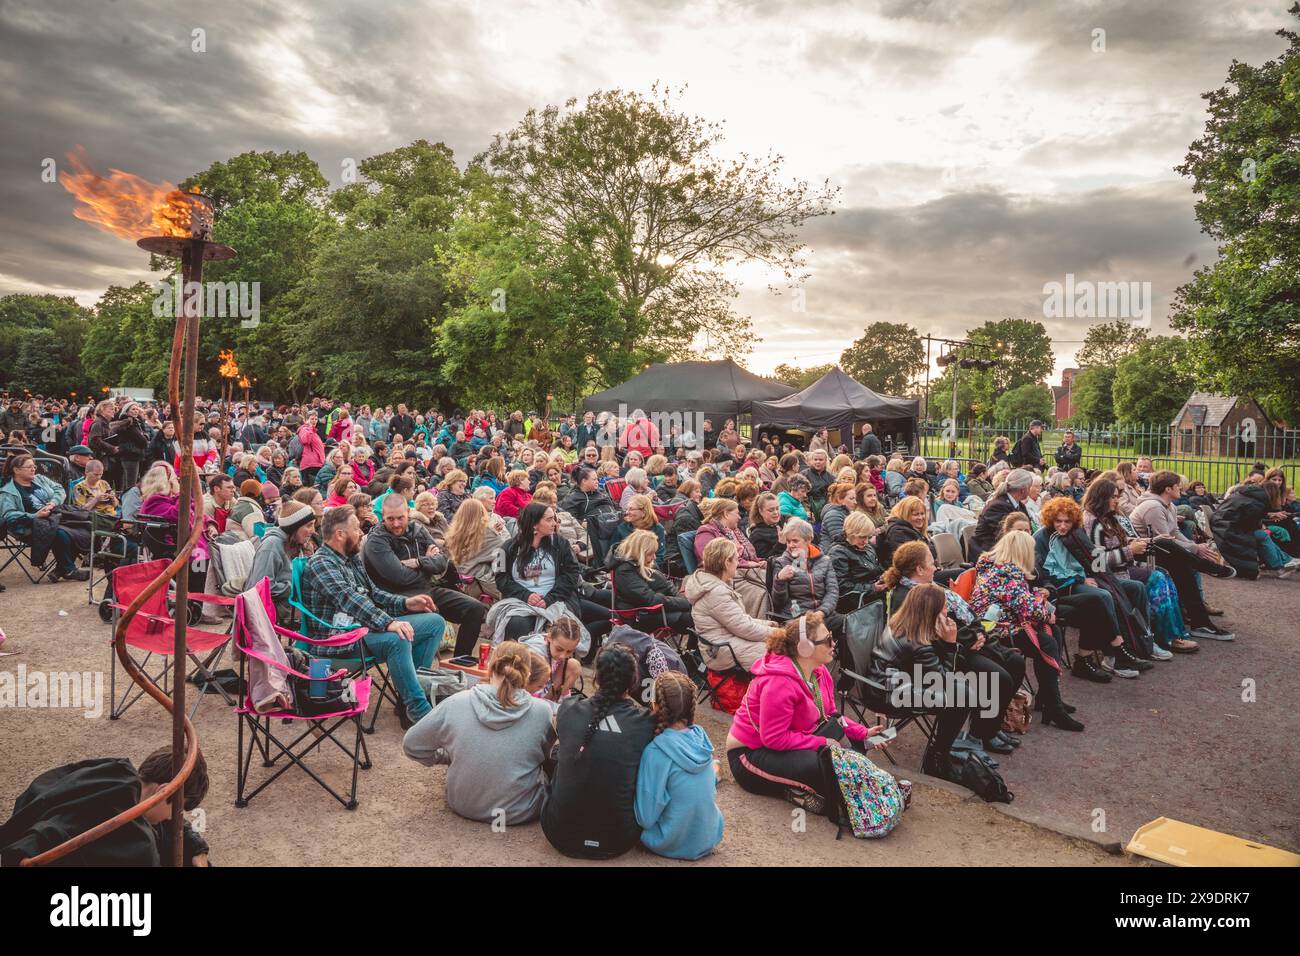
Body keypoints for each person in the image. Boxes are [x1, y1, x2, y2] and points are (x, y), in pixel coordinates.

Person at [299, 505, 446, 729]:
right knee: (397, 638)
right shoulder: (321, 563)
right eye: (356, 529)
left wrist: (406, 603)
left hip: (364, 630)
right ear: (340, 534)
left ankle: (411, 694)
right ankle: (419, 710)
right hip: (340, 639)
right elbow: (349, 600)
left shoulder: (351, 558)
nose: (361, 533)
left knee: (434, 622)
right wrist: (389, 622)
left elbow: (372, 593)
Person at [726, 612, 879, 813]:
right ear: (805, 648)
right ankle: (795, 790)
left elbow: (831, 716)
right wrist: (822, 742)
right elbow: (774, 739)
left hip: (784, 742)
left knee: (851, 748)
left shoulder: (820, 670)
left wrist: (863, 733)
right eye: (827, 640)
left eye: (831, 637)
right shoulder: (779, 683)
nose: (833, 643)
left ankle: (821, 789)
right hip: (749, 755)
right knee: (817, 763)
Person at [402, 641, 556, 824]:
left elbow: (412, 745)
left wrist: (449, 755)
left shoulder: (457, 702)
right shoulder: (542, 711)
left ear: (490, 666)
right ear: (527, 674)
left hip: (463, 804)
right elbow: (543, 755)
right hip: (517, 811)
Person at [542, 642, 656, 859]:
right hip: (618, 839)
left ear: (596, 677)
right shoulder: (646, 723)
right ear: (633, 681)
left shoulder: (569, 709)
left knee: (559, 757)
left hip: (559, 833)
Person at [968, 529, 1079, 733]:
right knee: (1047, 640)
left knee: (1052, 633)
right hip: (994, 631)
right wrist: (1046, 614)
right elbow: (1028, 608)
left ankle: (1049, 700)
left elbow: (1023, 600)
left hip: (1001, 624)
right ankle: (1052, 706)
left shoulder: (998, 567)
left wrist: (1040, 603)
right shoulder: (1005, 573)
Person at [363, 494, 489, 657]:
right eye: (390, 519)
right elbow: (399, 577)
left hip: (426, 590)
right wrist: (429, 567)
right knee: (431, 617)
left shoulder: (417, 529)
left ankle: (459, 662)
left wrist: (418, 562)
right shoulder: (377, 540)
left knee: (475, 608)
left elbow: (442, 561)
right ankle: (419, 672)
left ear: (408, 512)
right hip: (397, 599)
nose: (396, 524)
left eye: (400, 518)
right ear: (383, 516)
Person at [1129, 470, 1238, 641]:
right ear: (1168, 489)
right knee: (1177, 557)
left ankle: (1200, 622)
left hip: (1160, 551)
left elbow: (1175, 533)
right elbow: (1165, 541)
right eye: (1177, 485)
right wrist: (1195, 550)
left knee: (1184, 567)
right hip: (1144, 553)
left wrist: (1194, 547)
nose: (1181, 488)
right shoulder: (1153, 507)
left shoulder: (1169, 506)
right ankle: (1206, 568)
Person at [634, 671, 724, 860]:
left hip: (668, 842)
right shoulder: (702, 740)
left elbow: (645, 817)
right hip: (709, 837)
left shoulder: (655, 751)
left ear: (655, 705)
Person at [496, 502, 612, 644]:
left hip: (558, 599)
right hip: (520, 601)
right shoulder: (507, 548)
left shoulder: (560, 544)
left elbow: (571, 574)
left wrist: (549, 599)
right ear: (534, 524)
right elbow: (501, 579)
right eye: (549, 519)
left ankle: (582, 648)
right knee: (519, 624)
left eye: (554, 518)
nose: (555, 523)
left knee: (610, 617)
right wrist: (526, 595)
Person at [685, 537, 785, 672]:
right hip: (724, 652)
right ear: (727, 563)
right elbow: (744, 628)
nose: (738, 563)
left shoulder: (712, 585)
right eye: (736, 559)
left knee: (781, 645)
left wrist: (769, 625)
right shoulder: (716, 592)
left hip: (723, 644)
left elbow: (740, 621)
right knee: (785, 653)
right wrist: (778, 633)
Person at [0, 452, 89, 581]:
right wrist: (34, 515)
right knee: (61, 533)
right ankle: (68, 570)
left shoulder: (40, 479)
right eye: (29, 467)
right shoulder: (7, 492)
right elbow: (9, 515)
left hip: (54, 516)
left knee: (83, 525)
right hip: (29, 525)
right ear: (16, 470)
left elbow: (59, 489)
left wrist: (52, 503)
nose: (33, 469)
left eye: (34, 466)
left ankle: (60, 568)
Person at [611, 529, 692, 633]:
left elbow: (668, 586)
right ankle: (697, 648)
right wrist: (685, 603)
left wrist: (684, 600)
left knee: (701, 611)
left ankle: (694, 647)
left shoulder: (643, 562)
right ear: (639, 552)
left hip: (657, 609)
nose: (654, 557)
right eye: (650, 554)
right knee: (694, 617)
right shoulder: (624, 571)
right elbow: (650, 600)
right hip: (641, 616)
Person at [248, 500, 316, 621]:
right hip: (275, 609)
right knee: (325, 612)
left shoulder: (295, 543)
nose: (313, 530)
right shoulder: (272, 545)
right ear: (294, 527)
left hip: (292, 603)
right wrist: (295, 587)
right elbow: (260, 586)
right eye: (309, 525)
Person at [771, 518, 839, 629]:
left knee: (849, 624)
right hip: (797, 616)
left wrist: (822, 612)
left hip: (823, 613)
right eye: (788, 541)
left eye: (795, 541)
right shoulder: (781, 562)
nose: (791, 545)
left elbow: (833, 591)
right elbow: (779, 603)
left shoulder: (824, 560)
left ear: (808, 540)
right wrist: (780, 580)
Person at [830, 511, 886, 611]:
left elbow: (877, 568)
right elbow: (842, 587)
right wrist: (872, 588)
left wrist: (883, 577)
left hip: (873, 598)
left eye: (868, 537)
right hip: (855, 605)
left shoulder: (867, 548)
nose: (866, 541)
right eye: (862, 537)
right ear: (851, 533)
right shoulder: (838, 553)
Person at [971, 468, 1033, 556]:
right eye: (1030, 487)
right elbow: (1003, 537)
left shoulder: (1019, 505)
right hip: (989, 553)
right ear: (1023, 489)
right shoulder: (998, 506)